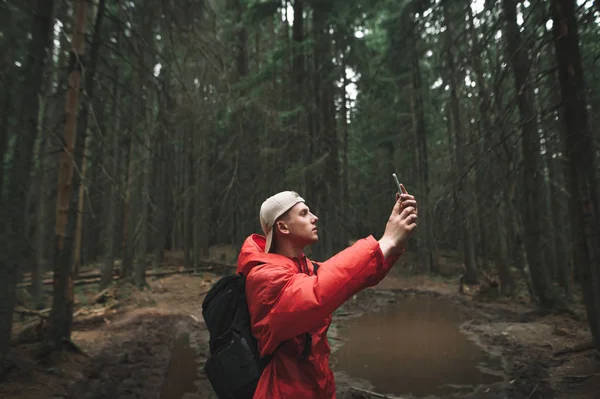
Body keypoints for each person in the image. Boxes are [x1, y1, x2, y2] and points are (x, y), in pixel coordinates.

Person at [236, 187, 418, 399]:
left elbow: (358, 276)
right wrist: (385, 241)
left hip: (318, 387)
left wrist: (397, 240)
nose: (315, 218)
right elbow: (315, 294)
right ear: (282, 227)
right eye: (304, 213)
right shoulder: (265, 277)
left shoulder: (305, 268)